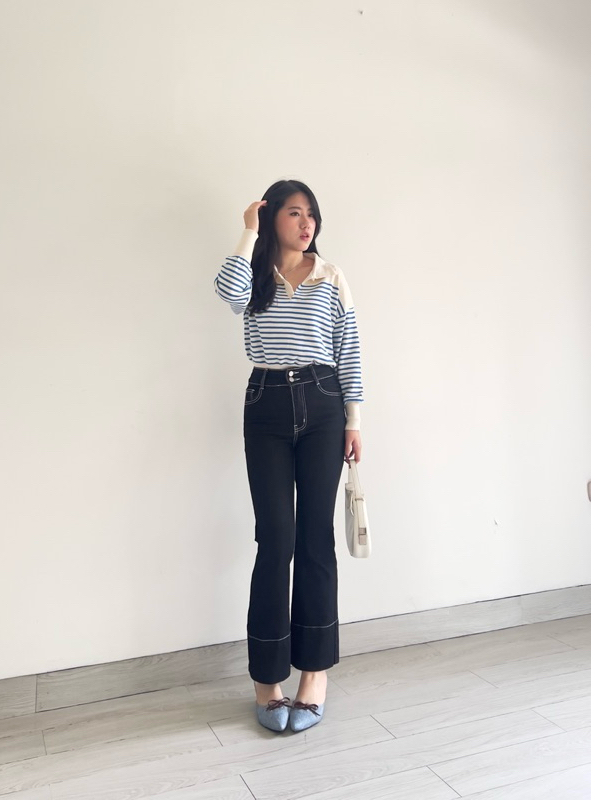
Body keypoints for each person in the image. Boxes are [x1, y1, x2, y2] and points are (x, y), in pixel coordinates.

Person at [213, 179, 364, 733]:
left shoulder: (331, 276)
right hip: (267, 404)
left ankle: (314, 676)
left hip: (324, 405)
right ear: (272, 216)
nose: (306, 224)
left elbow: (349, 349)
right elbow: (226, 292)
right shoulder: (253, 276)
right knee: (275, 538)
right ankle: (267, 681)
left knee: (315, 539)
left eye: (312, 215)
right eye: (294, 213)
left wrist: (353, 421)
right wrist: (247, 231)